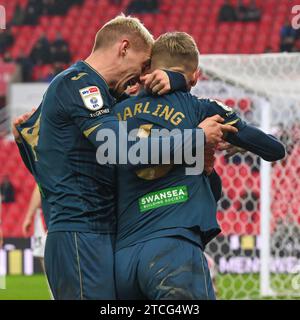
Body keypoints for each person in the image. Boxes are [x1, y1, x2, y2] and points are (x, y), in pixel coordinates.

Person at [12, 15, 229, 300]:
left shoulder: (96, 93)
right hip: (80, 233)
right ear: (123, 47)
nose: (141, 78)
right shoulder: (79, 84)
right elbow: (122, 150)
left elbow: (31, 140)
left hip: (99, 232)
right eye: (142, 66)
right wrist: (197, 137)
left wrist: (176, 79)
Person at [113, 32, 285, 300]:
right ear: (196, 76)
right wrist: (238, 141)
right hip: (172, 252)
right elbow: (274, 149)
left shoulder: (115, 111)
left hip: (121, 261)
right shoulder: (200, 110)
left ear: (150, 68)